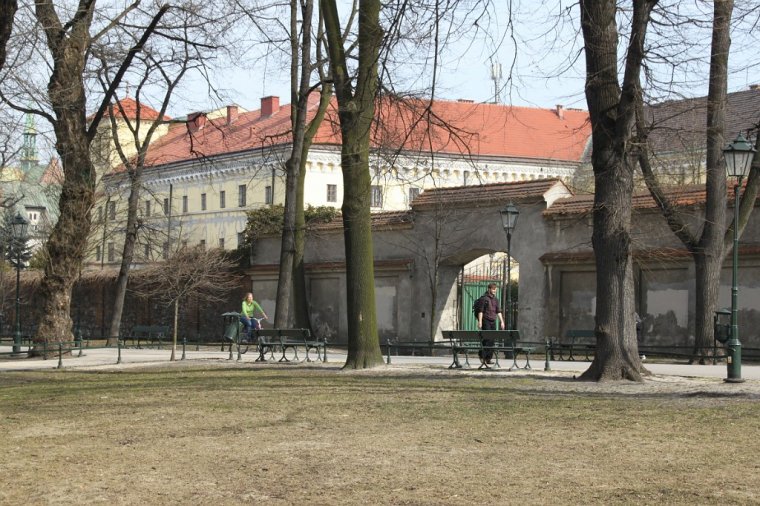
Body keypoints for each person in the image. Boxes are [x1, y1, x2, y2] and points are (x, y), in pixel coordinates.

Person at [475, 283, 505, 364]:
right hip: (485, 321)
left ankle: (488, 358)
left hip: (493, 321)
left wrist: (502, 321)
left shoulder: (496, 300)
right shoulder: (484, 299)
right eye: (493, 289)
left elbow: (498, 311)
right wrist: (480, 321)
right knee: (486, 339)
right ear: (489, 289)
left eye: (495, 289)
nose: (494, 291)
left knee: (492, 340)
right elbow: (480, 311)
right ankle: (482, 356)